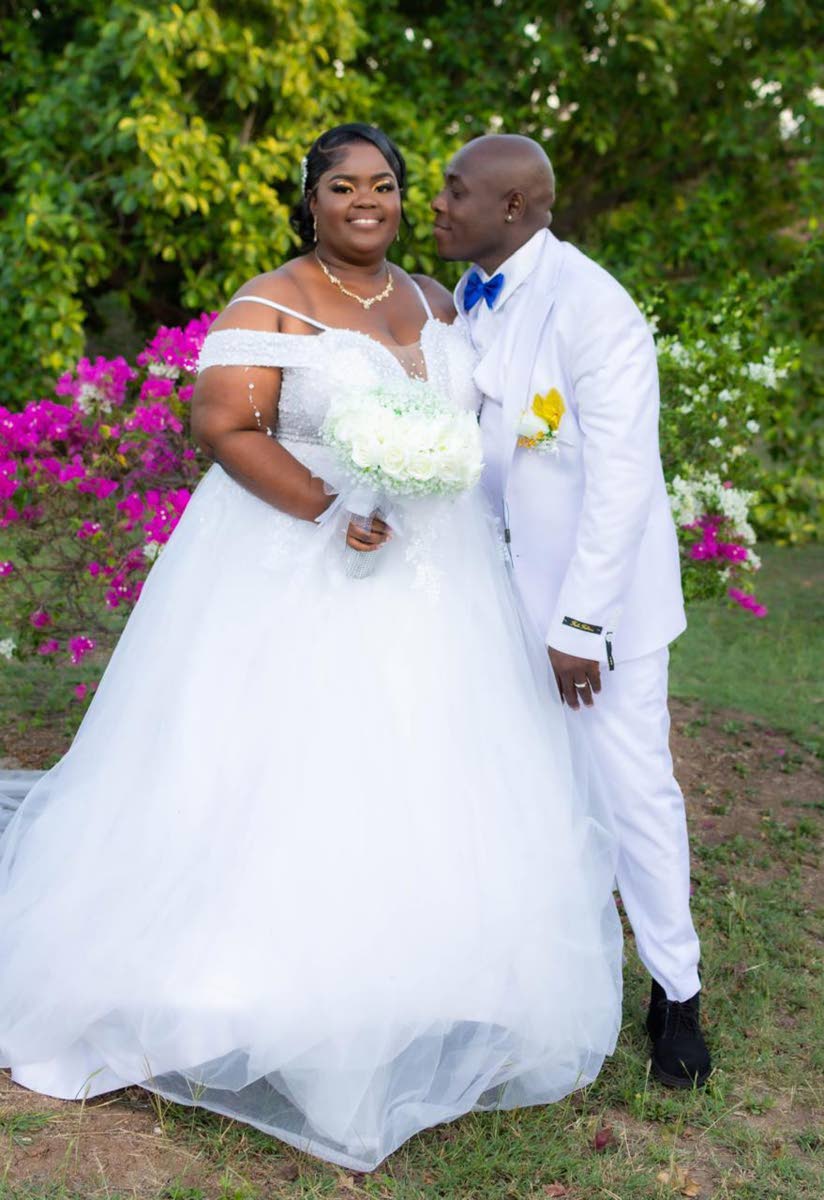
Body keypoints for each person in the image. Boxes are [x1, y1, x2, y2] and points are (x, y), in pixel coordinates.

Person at [0, 124, 622, 1172]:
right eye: (343, 187)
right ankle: (238, 989)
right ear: (312, 200)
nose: (365, 202)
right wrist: (327, 503)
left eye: (382, 185)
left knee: (435, 771)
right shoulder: (271, 297)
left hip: (438, 583)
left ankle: (434, 981)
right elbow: (224, 423)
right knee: (282, 770)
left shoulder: (433, 299)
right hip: (292, 566)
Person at [432, 134, 712, 1089]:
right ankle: (528, 981)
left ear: (514, 209)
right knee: (521, 795)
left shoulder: (595, 309)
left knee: (633, 795)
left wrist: (582, 625)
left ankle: (677, 992)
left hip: (599, 618)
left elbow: (624, 481)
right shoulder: (461, 305)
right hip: (489, 603)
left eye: (453, 191)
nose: (437, 204)